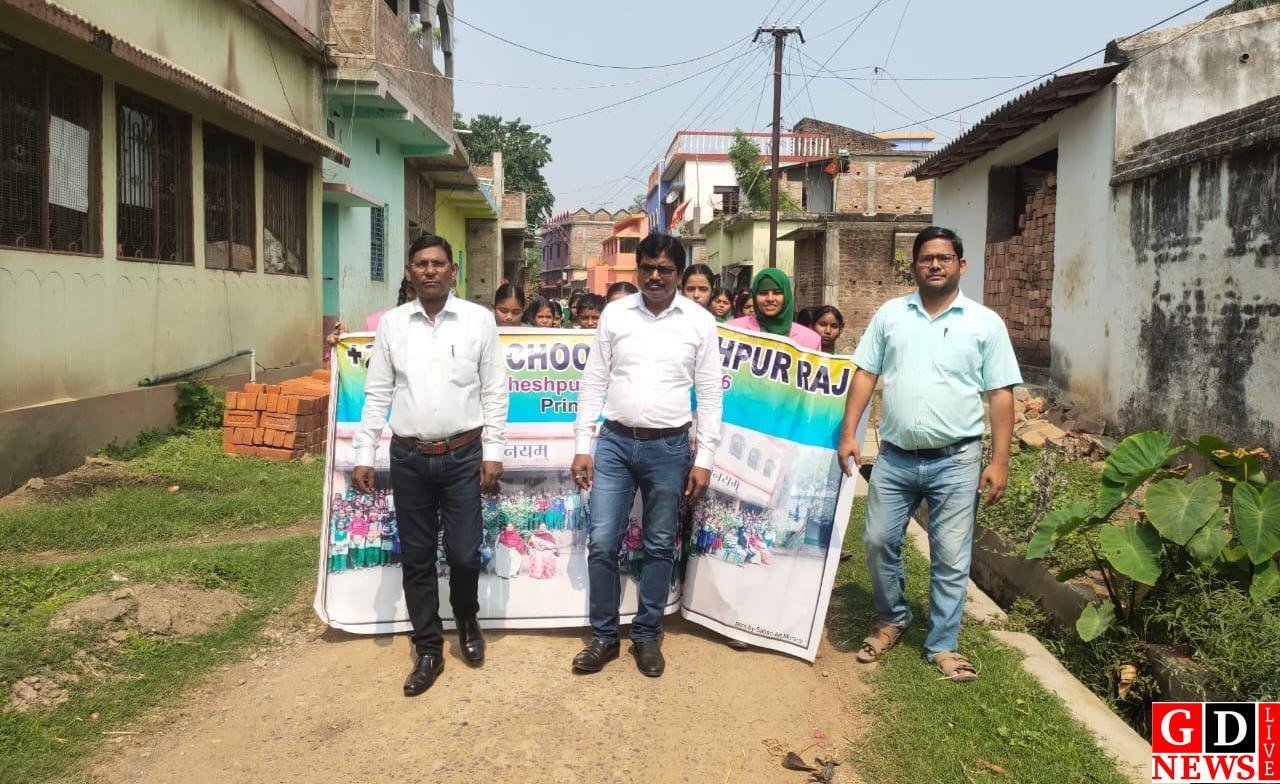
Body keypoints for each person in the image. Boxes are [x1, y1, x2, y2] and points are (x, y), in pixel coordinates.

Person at [836, 226, 1021, 684]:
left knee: (951, 556)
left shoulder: (984, 323)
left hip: (957, 459)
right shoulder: (890, 315)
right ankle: (892, 618)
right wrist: (849, 432)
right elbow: (865, 374)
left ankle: (942, 645)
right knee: (877, 540)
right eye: (926, 258)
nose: (935, 265)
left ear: (961, 265)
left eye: (944, 258)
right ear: (914, 265)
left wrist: (999, 461)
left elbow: (1000, 393)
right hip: (895, 458)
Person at [352, 233, 508, 697]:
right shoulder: (393, 325)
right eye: (421, 264)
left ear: (452, 271)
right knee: (417, 557)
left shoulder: (479, 320)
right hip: (409, 457)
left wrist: (494, 452)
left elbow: (495, 390)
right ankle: (428, 648)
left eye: (438, 263)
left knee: (463, 553)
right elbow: (377, 392)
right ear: (409, 272)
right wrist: (364, 452)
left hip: (464, 456)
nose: (430, 271)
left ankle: (467, 618)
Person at [570, 232, 723, 677]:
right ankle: (603, 636)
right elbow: (594, 381)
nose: (655, 276)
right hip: (615, 443)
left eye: (665, 269)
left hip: (670, 448)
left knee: (659, 543)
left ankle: (646, 635)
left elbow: (710, 395)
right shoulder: (615, 314)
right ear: (637, 269)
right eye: (648, 268)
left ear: (679, 273)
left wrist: (705, 458)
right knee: (602, 541)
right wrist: (582, 445)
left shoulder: (699, 322)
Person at [727, 269, 821, 350]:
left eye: (777, 293)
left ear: (787, 295)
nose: (770, 299)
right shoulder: (732, 330)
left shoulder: (811, 340)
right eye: (763, 293)